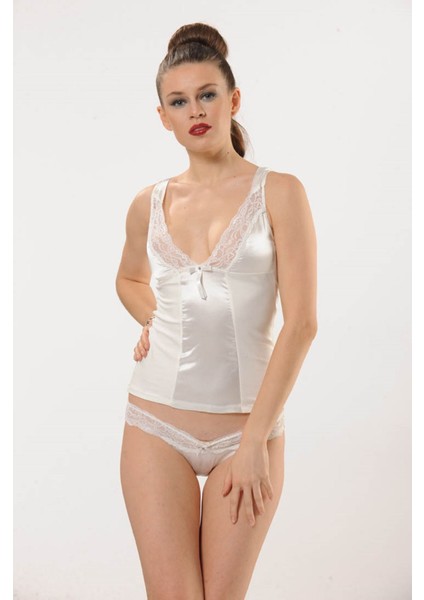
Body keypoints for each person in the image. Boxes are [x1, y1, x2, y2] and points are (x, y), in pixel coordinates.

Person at [116, 22, 317, 600]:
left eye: (207, 94)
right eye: (179, 102)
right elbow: (129, 279)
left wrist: (254, 442)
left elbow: (302, 324)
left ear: (233, 99)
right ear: (163, 117)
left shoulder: (280, 192)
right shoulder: (148, 203)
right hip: (155, 423)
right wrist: (153, 318)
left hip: (245, 432)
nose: (196, 110)